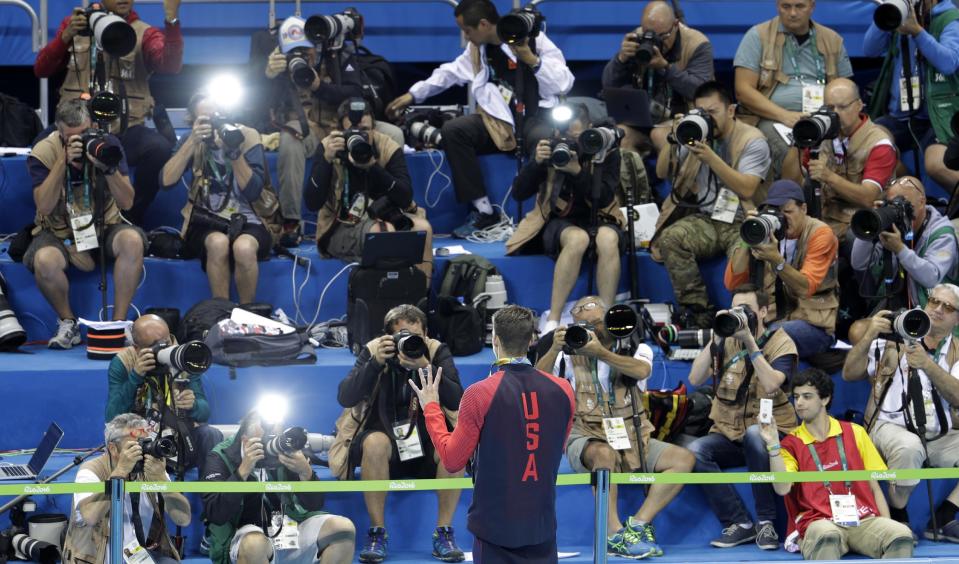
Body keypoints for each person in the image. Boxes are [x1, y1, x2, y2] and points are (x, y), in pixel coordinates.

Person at [385, 0, 574, 239]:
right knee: (455, 130)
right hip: (499, 123)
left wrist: (531, 59)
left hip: (537, 119)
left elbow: (564, 83)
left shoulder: (534, 40)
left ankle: (547, 213)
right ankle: (484, 211)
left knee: (545, 144)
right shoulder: (477, 50)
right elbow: (449, 73)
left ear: (483, 24)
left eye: (467, 30)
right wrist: (412, 94)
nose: (465, 36)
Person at [410, 305, 575, 563]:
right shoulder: (564, 390)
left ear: (495, 340)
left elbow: (452, 460)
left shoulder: (479, 393)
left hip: (495, 529)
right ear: (532, 339)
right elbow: (556, 447)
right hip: (541, 526)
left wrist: (431, 407)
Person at [535, 296, 696, 559]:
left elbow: (641, 371)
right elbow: (536, 381)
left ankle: (639, 524)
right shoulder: (567, 355)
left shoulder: (635, 347)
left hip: (631, 434)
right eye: (584, 326)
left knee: (684, 459)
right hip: (584, 435)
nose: (594, 331)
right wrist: (554, 348)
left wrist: (601, 353)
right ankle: (613, 533)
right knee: (604, 454)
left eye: (598, 322)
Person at [252, 15, 404, 246]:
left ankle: (394, 204)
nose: (301, 57)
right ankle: (291, 221)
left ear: (317, 45)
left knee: (394, 134)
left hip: (347, 124)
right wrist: (268, 78)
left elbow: (356, 93)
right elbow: (260, 110)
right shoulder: (279, 68)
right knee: (289, 140)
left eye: (306, 50)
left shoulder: (339, 58)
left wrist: (318, 86)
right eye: (294, 52)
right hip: (308, 129)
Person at [334, 305, 465, 563]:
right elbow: (345, 396)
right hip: (385, 452)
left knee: (453, 446)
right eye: (401, 336)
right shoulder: (375, 350)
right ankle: (377, 533)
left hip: (427, 446)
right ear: (387, 338)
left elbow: (457, 399)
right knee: (374, 442)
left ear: (426, 334)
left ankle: (444, 533)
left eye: (415, 337)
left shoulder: (436, 351)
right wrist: (374, 364)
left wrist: (426, 367)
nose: (409, 343)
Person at [34, 0, 183, 226]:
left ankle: (132, 217)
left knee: (159, 149)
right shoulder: (76, 25)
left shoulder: (144, 32)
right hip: (78, 126)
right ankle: (54, 223)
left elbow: (170, 66)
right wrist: (65, 36)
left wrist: (171, 20)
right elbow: (41, 69)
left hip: (126, 129)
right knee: (41, 144)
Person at [24, 99, 146, 349]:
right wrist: (63, 161)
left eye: (84, 133)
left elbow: (127, 202)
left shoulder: (107, 144)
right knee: (45, 261)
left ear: (91, 125)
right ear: (59, 132)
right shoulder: (43, 151)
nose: (80, 141)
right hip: (60, 230)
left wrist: (109, 169)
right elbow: (44, 206)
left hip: (103, 225)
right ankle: (68, 323)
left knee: (132, 241)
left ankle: (119, 324)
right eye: (71, 137)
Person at [842, 283, 959, 540]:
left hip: (938, 434)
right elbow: (849, 374)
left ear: (957, 318)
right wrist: (869, 335)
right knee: (909, 447)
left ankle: (945, 515)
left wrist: (927, 365)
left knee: (917, 444)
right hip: (888, 426)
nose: (938, 309)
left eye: (948, 307)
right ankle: (898, 515)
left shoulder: (957, 350)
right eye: (934, 302)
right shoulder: (892, 338)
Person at [759, 368, 914, 560]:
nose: (798, 403)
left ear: (825, 399)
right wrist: (773, 445)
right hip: (818, 522)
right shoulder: (790, 444)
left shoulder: (855, 432)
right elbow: (782, 489)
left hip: (862, 520)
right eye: (796, 397)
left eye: (807, 396)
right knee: (827, 535)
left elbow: (873, 487)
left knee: (900, 535)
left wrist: (885, 527)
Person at [651, 81, 772, 329]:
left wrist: (711, 158)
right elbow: (662, 172)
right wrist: (673, 139)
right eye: (702, 112)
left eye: (713, 112)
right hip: (709, 217)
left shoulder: (752, 140)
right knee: (671, 238)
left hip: (743, 220)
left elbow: (747, 188)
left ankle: (747, 317)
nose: (708, 118)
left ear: (731, 110)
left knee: (744, 254)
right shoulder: (696, 133)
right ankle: (698, 313)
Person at [687, 285, 798, 550]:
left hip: (772, 434)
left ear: (763, 311)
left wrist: (750, 342)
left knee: (754, 435)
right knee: (694, 451)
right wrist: (717, 335)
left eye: (746, 310)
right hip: (729, 431)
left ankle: (766, 522)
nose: (741, 315)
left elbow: (772, 383)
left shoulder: (782, 342)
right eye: (736, 309)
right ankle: (740, 523)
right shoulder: (725, 338)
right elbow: (694, 378)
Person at [506, 106, 625, 331]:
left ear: (590, 129)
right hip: (558, 221)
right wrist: (536, 164)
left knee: (608, 238)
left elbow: (605, 197)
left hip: (599, 216)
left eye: (578, 137)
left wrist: (577, 172)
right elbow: (519, 193)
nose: (572, 143)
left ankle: (607, 318)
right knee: (577, 239)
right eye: (567, 136)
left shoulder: (606, 149)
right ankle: (554, 319)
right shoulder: (551, 147)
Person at [160, 91, 277, 305]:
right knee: (218, 243)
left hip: (249, 218)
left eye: (216, 116)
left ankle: (246, 314)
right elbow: (166, 182)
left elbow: (253, 191)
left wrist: (233, 152)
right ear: (193, 121)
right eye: (205, 119)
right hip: (206, 220)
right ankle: (220, 311)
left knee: (244, 248)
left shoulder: (247, 135)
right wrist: (191, 142)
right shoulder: (192, 140)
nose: (213, 123)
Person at [202, 408, 356, 564]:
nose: (272, 446)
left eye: (275, 438)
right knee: (254, 544)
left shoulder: (284, 451)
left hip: (286, 529)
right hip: (244, 535)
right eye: (265, 441)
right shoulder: (220, 457)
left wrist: (306, 473)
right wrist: (243, 470)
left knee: (343, 529)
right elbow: (216, 514)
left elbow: (314, 504)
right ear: (245, 439)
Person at [305, 98, 433, 278]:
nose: (359, 135)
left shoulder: (387, 146)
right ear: (341, 131)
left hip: (383, 214)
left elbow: (405, 196)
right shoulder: (330, 147)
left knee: (423, 229)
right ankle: (382, 301)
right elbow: (312, 202)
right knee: (382, 232)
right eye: (352, 130)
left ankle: (420, 300)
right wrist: (326, 160)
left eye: (365, 130)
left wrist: (372, 167)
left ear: (374, 128)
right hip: (340, 225)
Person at [734, 0, 853, 183]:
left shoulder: (832, 40)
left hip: (825, 119)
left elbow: (848, 89)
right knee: (798, 148)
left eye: (799, 6)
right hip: (773, 120)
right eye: (786, 6)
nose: (792, 13)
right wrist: (784, 115)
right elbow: (743, 90)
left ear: (812, 7)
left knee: (876, 140)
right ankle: (793, 205)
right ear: (777, 6)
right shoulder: (758, 36)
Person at [725, 179, 839, 360]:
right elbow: (733, 283)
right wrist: (748, 237)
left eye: (788, 211)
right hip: (772, 319)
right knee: (728, 332)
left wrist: (776, 260)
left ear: (804, 209)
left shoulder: (820, 233)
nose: (783, 218)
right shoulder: (764, 231)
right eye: (778, 213)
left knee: (768, 337)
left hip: (813, 325)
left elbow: (805, 287)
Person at [62, 414, 191, 564]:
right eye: (135, 446)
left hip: (138, 556)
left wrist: (162, 480)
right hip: (98, 559)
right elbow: (90, 517)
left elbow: (183, 519)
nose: (144, 451)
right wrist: (120, 473)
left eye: (146, 442)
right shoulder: (91, 471)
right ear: (113, 449)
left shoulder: (151, 468)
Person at [105, 314, 223, 478]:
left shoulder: (183, 356)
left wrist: (194, 405)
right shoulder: (125, 361)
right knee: (124, 441)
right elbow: (112, 418)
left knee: (211, 435)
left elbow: (204, 413)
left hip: (180, 438)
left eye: (166, 342)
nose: (162, 348)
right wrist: (135, 377)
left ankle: (213, 495)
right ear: (136, 347)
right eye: (154, 345)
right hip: (142, 442)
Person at [848, 176, 958, 344]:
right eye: (893, 204)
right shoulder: (892, 226)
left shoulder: (942, 233)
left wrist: (899, 249)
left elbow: (931, 277)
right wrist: (872, 223)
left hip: (937, 312)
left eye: (906, 204)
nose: (900, 211)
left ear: (922, 201)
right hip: (901, 304)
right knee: (859, 332)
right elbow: (859, 263)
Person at [864, 0, 959, 183]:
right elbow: (870, 50)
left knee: (937, 165)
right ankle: (913, 194)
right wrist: (887, 10)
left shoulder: (950, 18)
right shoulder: (898, 14)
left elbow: (949, 63)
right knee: (868, 147)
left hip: (939, 116)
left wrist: (917, 32)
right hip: (900, 116)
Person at [601, 0, 714, 153]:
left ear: (676, 25)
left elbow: (702, 92)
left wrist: (665, 68)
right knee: (621, 135)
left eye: (662, 36)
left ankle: (677, 177)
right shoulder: (638, 39)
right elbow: (608, 84)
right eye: (650, 33)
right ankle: (632, 177)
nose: (656, 42)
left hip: (681, 120)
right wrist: (620, 59)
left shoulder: (696, 43)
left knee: (659, 135)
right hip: (641, 121)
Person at [804, 79, 898, 241]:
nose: (835, 114)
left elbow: (868, 198)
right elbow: (798, 177)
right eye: (830, 108)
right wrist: (801, 135)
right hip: (826, 216)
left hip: (861, 219)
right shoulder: (821, 135)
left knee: (856, 238)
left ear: (859, 105)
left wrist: (828, 176)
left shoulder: (879, 144)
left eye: (842, 107)